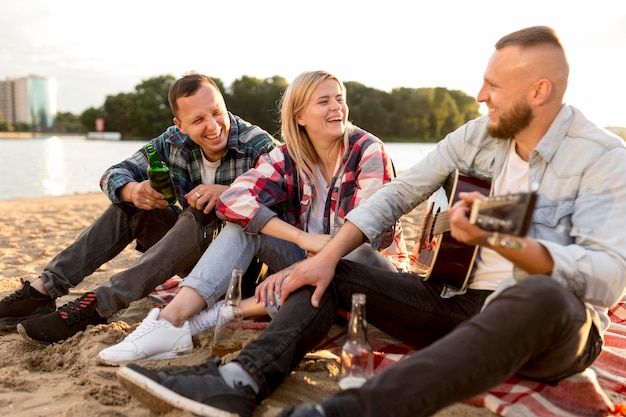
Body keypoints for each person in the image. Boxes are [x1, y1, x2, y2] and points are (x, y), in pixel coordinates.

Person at [116, 26, 626, 417]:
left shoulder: (604, 158)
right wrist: (327, 255)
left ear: (538, 91)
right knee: (326, 270)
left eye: (493, 85)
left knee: (542, 293)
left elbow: (607, 277)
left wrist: (509, 244)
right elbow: (398, 195)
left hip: (553, 328)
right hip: (458, 303)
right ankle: (239, 381)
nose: (480, 95)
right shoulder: (477, 135)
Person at [96, 70, 407, 365]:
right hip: (304, 264)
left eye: (339, 98)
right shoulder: (288, 157)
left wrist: (303, 263)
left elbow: (372, 232)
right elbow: (234, 200)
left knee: (356, 248)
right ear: (299, 116)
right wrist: (301, 238)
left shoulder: (367, 151)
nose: (337, 107)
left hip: (364, 274)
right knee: (243, 226)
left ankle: (209, 317)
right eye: (324, 101)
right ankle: (169, 321)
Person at [1, 72, 281, 347]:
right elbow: (114, 173)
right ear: (180, 125)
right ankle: (43, 291)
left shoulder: (257, 143)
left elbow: (290, 198)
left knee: (202, 212)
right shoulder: (172, 141)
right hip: (189, 255)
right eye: (197, 120)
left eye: (217, 112)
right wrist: (132, 190)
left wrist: (233, 194)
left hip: (240, 272)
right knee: (129, 205)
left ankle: (97, 307)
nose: (213, 126)